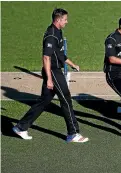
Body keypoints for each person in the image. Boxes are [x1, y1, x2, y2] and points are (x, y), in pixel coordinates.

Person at [12, 8, 89, 143]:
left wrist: (72, 64)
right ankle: (73, 133)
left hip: (54, 70)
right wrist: (48, 78)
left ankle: (21, 127)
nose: (67, 22)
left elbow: (59, 54)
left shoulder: (58, 31)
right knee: (66, 99)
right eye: (65, 19)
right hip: (53, 71)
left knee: (44, 101)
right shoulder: (51, 35)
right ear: (58, 20)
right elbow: (46, 57)